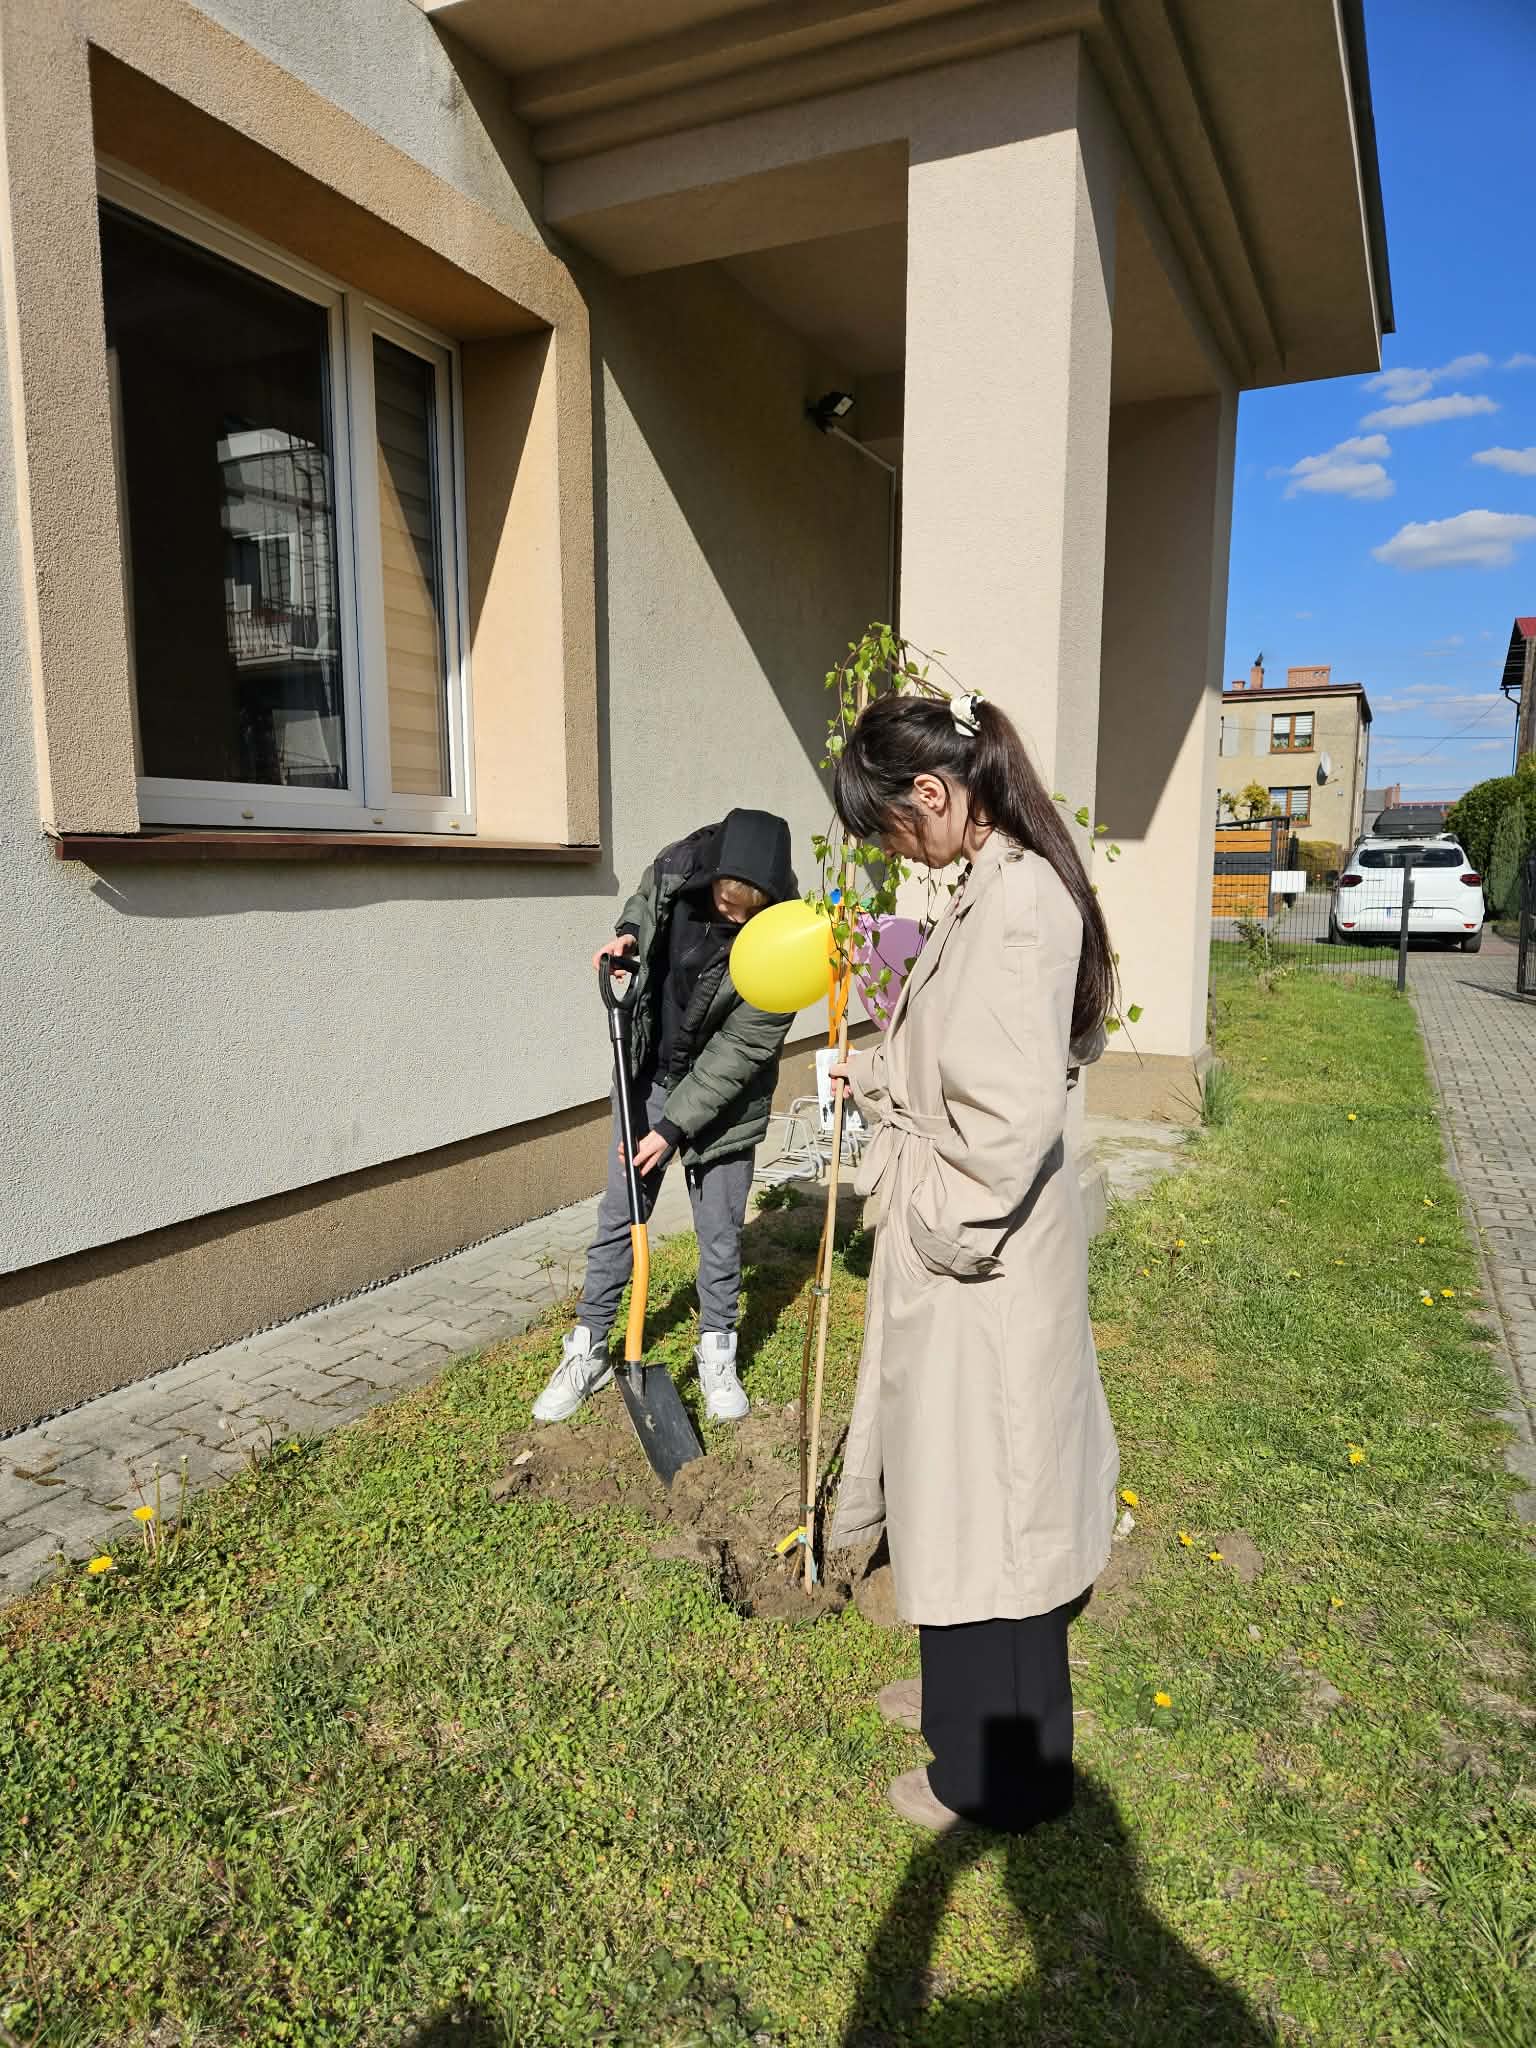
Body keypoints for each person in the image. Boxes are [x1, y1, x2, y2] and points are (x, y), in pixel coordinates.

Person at [827, 689, 1120, 1834]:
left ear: (934, 792)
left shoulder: (1016, 903)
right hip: (972, 1255)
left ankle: (1001, 1773)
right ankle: (961, 1709)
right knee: (963, 1490)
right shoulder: (989, 885)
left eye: (893, 827)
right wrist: (877, 1075)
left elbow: (1005, 1123)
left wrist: (936, 1230)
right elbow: (960, 1061)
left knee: (996, 1504)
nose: (897, 850)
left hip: (979, 1260)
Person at [533, 809, 797, 1427]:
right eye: (726, 901)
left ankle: (716, 1351)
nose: (734, 916)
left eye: (749, 910)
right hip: (651, 1073)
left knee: (720, 1229)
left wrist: (671, 1130)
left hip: (726, 1099)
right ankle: (588, 1345)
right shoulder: (679, 868)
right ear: (713, 874)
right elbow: (644, 903)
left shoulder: (788, 947)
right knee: (619, 1214)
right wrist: (627, 935)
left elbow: (741, 1050)